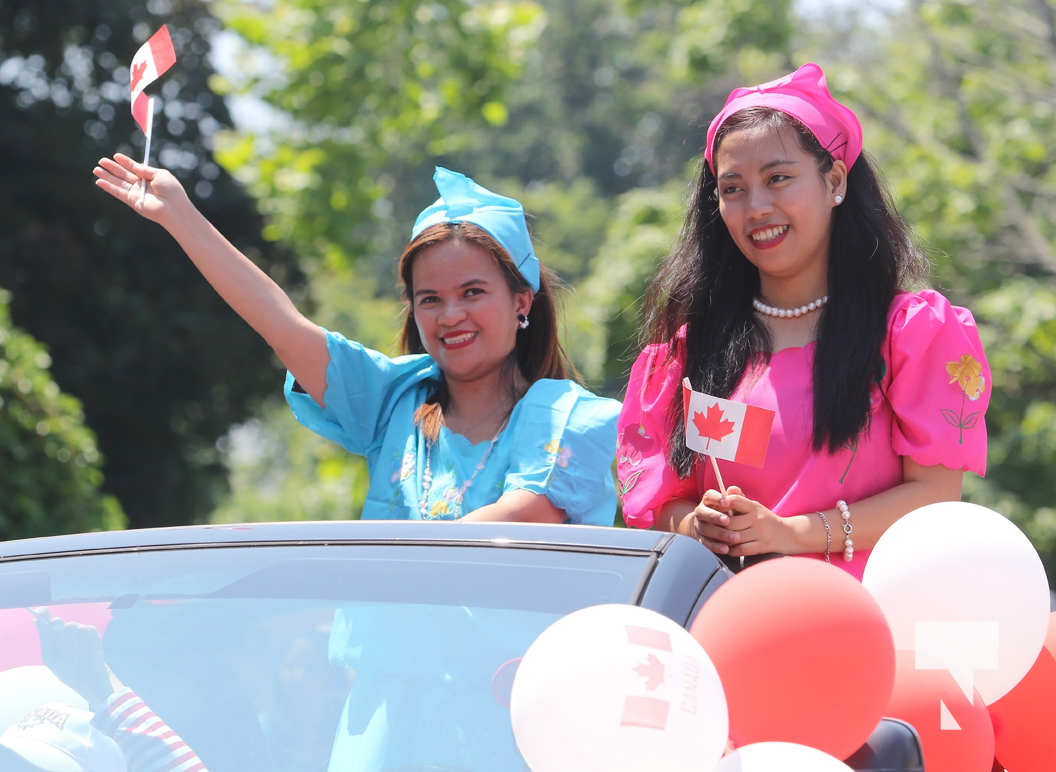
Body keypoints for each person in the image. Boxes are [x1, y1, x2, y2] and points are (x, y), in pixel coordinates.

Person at [93, 158, 620, 526]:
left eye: (473, 292)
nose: (450, 315)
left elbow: (520, 518)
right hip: (377, 661)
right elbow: (282, 326)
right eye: (430, 298)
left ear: (522, 301)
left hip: (504, 662)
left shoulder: (569, 417)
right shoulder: (392, 400)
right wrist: (179, 215)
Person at [616, 62, 991, 579]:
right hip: (728, 616)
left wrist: (792, 533)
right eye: (733, 189)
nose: (756, 207)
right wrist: (698, 526)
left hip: (872, 614)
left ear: (834, 181)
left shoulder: (911, 333)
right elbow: (661, 505)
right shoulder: (687, 352)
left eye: (778, 179)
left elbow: (935, 497)